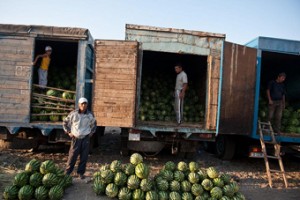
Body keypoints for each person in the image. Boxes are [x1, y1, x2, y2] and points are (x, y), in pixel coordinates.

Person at [63, 97, 97, 179]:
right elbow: (65, 122)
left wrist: (92, 132)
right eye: (82, 103)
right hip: (76, 138)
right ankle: (68, 172)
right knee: (72, 156)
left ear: (87, 105)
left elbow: (94, 124)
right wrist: (69, 132)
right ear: (79, 104)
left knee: (84, 157)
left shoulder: (90, 115)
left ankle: (81, 173)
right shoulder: (73, 114)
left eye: (85, 103)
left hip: (85, 138)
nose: (83, 105)